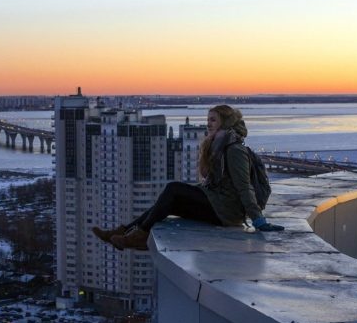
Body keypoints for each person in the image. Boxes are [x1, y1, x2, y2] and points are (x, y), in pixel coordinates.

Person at [92, 104, 284, 251]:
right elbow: (212, 184)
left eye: (213, 120)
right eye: (208, 119)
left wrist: (258, 220)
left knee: (173, 189)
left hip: (227, 212)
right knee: (168, 201)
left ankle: (138, 237)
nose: (208, 124)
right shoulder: (218, 146)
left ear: (225, 123)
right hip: (218, 205)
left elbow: (244, 187)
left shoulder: (234, 149)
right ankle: (124, 232)